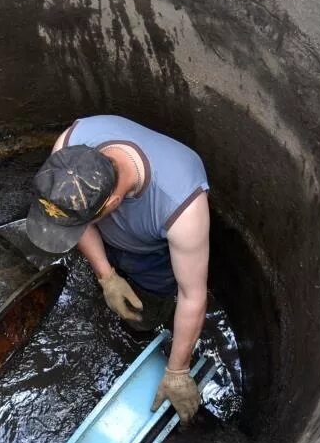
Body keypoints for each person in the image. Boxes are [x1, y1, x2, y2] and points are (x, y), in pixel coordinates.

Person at [25, 115, 210, 423]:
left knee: (144, 316)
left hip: (153, 256)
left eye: (87, 219)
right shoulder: (69, 148)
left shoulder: (182, 207)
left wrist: (177, 371)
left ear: (113, 203)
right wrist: (106, 276)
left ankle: (145, 331)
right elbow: (78, 222)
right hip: (110, 239)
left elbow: (193, 296)